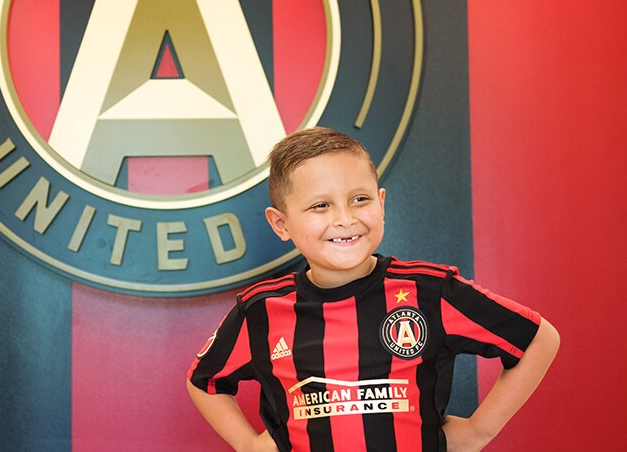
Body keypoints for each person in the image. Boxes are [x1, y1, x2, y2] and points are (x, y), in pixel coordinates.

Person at [187, 127, 559, 452]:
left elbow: (538, 338)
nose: (345, 219)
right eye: (320, 205)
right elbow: (204, 380)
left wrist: (480, 431)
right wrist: (248, 444)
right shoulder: (262, 310)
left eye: (359, 199)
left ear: (381, 204)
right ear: (281, 223)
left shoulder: (430, 291)